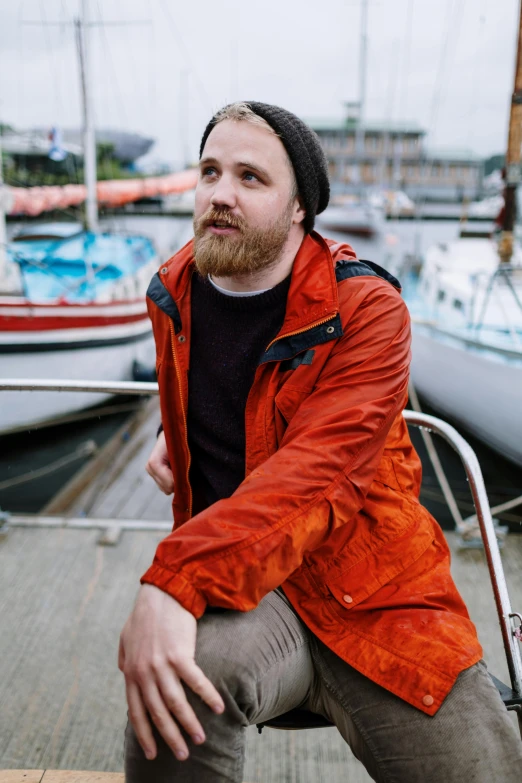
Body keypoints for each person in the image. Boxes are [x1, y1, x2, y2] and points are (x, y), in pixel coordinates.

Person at [119, 102, 522, 782]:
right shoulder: (174, 291)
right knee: (174, 687)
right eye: (210, 170)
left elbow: (319, 476)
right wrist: (174, 427)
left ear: (301, 206)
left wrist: (174, 581)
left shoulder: (368, 311)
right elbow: (236, 392)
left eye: (251, 177)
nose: (221, 192)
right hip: (254, 590)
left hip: (379, 594)